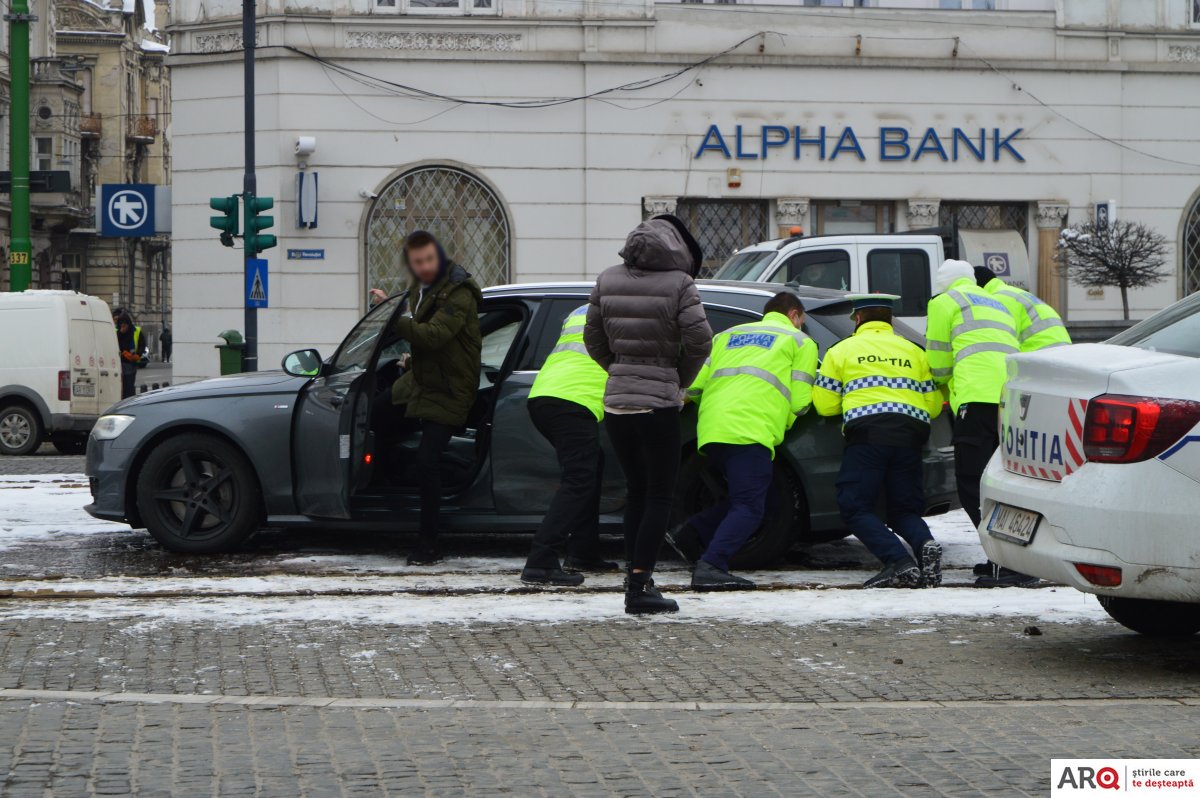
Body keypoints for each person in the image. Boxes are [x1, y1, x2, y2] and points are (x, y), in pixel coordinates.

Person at [584, 214, 712, 615]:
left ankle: (634, 579)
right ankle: (640, 586)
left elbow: (592, 338)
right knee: (660, 494)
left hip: (617, 402)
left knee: (637, 492)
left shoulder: (607, 278)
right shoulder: (680, 284)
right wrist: (677, 380)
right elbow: (700, 341)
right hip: (658, 401)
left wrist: (619, 368)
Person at [669, 291, 817, 591]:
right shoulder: (800, 341)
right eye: (801, 321)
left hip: (712, 430)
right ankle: (711, 565)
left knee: (759, 499)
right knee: (750, 506)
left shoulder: (728, 335)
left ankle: (691, 534)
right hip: (750, 429)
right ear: (794, 315)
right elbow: (801, 401)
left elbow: (694, 385)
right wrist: (784, 419)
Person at [814, 294, 946, 588]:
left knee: (855, 506)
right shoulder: (914, 351)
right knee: (904, 509)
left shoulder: (842, 350)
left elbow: (825, 406)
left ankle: (898, 561)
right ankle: (925, 545)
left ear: (858, 319)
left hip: (868, 436)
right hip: (910, 436)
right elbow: (934, 405)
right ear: (890, 321)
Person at [371, 230, 482, 566]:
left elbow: (434, 336)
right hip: (422, 381)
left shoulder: (459, 292)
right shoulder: (423, 290)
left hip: (450, 388)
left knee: (427, 459)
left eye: (428, 260)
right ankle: (384, 489)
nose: (423, 267)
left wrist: (397, 318)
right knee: (374, 415)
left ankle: (429, 542)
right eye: (417, 262)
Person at [926, 259, 1032, 588]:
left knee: (973, 482)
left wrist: (941, 384)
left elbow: (939, 362)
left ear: (944, 283)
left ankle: (1006, 562)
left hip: (977, 399)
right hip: (1010, 400)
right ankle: (1012, 559)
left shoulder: (944, 303)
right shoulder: (998, 303)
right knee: (1006, 482)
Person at [519, 305, 619, 587]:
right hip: (575, 400)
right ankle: (541, 561)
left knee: (590, 467)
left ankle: (584, 552)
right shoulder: (629, 311)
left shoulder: (580, 310)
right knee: (579, 479)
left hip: (544, 394)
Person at [973, 266, 1071, 353]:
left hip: (1038, 356)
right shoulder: (1015, 294)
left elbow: (1001, 341)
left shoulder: (997, 301)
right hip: (1060, 353)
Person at [115, 312, 139, 399]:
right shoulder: (117, 333)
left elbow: (141, 346)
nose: (123, 327)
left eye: (124, 325)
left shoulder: (134, 332)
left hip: (130, 365)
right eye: (121, 325)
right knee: (121, 388)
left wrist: (137, 356)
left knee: (129, 387)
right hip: (119, 365)